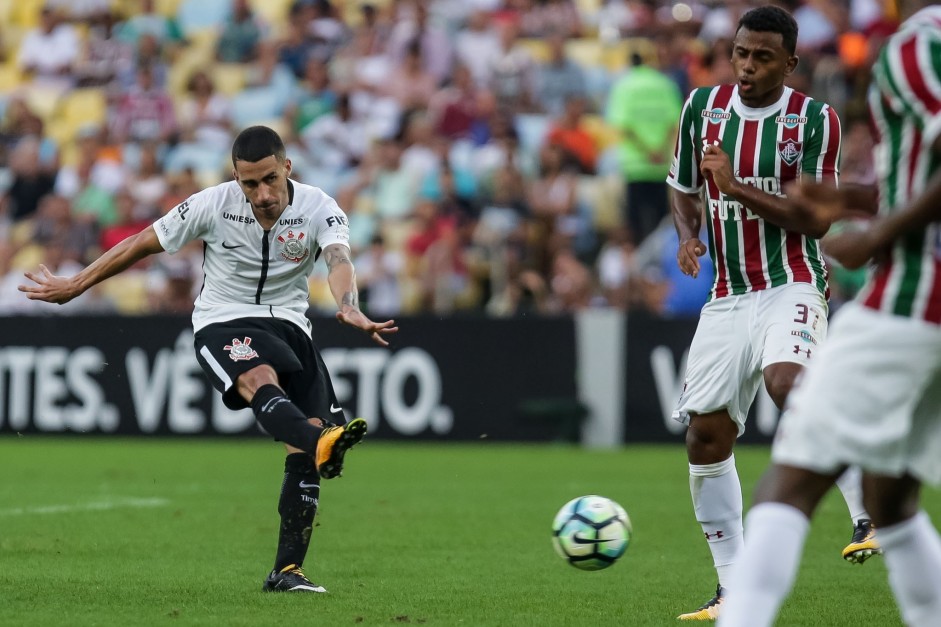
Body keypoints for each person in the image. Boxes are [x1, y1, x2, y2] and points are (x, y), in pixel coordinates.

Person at [19, 126, 398, 593]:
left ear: (287, 169)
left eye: (269, 180)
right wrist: (76, 284)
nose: (261, 194)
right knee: (261, 380)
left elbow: (339, 259)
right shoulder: (211, 204)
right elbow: (142, 242)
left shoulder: (320, 206)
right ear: (235, 178)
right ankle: (321, 441)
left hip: (291, 325)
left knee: (303, 450)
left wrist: (349, 305)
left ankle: (287, 571)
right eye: (249, 183)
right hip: (225, 318)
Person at [718, 4, 941, 626]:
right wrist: (853, 198)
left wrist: (876, 236)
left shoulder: (919, 45)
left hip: (915, 299)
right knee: (891, 496)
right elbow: (922, 175)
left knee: (791, 478)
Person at [666, 7, 878, 620]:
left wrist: (733, 188)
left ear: (790, 62)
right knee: (705, 435)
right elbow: (682, 184)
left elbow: (817, 219)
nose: (747, 66)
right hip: (729, 293)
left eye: (762, 57)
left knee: (790, 383)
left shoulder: (815, 120)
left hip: (793, 282)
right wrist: (688, 233)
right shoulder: (702, 109)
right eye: (740, 53)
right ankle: (731, 590)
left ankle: (869, 512)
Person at [606, 52, 683, 245]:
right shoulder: (665, 83)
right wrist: (658, 150)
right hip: (661, 164)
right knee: (661, 221)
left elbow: (623, 126)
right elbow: (674, 122)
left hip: (636, 165)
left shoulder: (624, 85)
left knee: (636, 222)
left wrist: (647, 151)